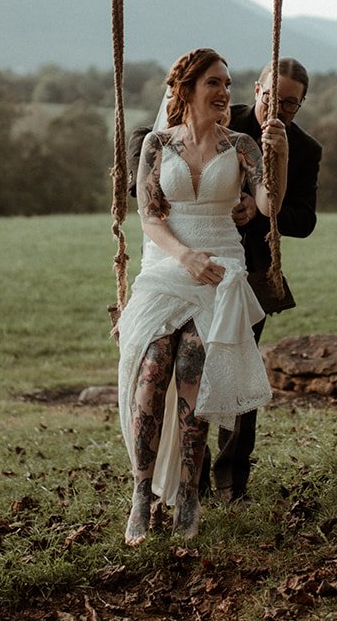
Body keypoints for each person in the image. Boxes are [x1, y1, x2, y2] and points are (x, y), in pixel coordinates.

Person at [116, 48, 288, 545]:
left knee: (193, 371)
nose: (225, 93)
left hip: (221, 265)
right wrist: (183, 256)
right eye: (215, 83)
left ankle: (189, 492)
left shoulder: (242, 145)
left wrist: (278, 153)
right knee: (152, 373)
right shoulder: (156, 144)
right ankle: (143, 493)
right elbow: (149, 217)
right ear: (186, 88)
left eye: (229, 85)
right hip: (168, 264)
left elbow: (267, 204)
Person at [208, 57, 321, 502]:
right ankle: (190, 475)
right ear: (256, 89)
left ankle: (232, 480)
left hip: (252, 269)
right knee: (194, 369)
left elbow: (305, 220)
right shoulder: (220, 118)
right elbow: (155, 135)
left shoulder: (306, 149)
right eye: (273, 96)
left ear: (302, 104)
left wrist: (258, 212)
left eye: (292, 103)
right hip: (202, 259)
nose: (280, 107)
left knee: (241, 369)